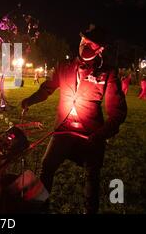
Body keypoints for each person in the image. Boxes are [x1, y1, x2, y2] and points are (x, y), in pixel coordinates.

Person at [21, 24, 127, 214]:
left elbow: (118, 112)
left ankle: (90, 210)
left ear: (100, 48)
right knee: (46, 166)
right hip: (63, 129)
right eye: (83, 41)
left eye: (90, 43)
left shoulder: (107, 73)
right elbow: (47, 89)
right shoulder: (64, 66)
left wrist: (100, 135)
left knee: (92, 176)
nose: (84, 45)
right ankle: (39, 209)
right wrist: (30, 101)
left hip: (91, 133)